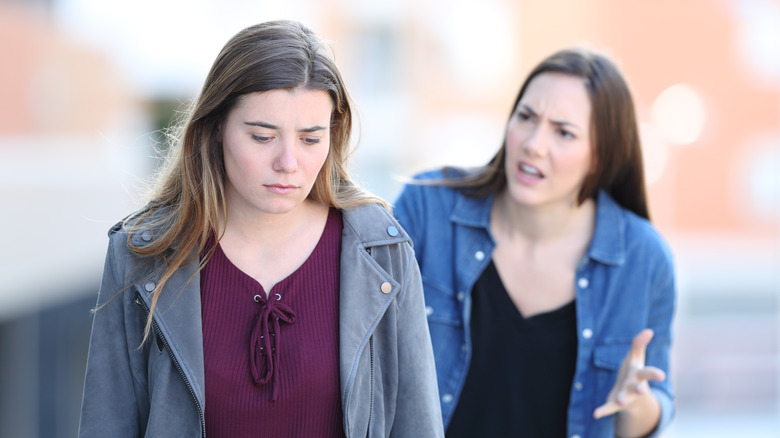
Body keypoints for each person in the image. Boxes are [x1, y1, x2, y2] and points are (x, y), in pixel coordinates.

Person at [78, 20, 443, 438]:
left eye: (310, 139)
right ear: (216, 129)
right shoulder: (140, 253)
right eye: (262, 136)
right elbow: (106, 424)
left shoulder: (383, 252)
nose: (288, 162)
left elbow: (418, 426)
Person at [393, 47, 676, 438]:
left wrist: (637, 402)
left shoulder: (644, 258)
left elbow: (653, 405)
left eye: (564, 132)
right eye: (526, 118)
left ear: (601, 156)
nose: (534, 144)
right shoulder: (428, 209)